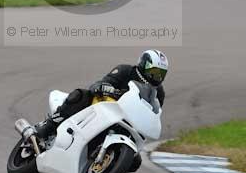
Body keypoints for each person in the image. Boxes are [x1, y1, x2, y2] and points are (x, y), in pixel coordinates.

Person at [34, 49, 169, 141]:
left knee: (135, 162)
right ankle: (48, 125)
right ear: (144, 65)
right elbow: (103, 82)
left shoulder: (159, 93)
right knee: (80, 95)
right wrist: (105, 87)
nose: (157, 77)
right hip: (104, 106)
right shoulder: (125, 71)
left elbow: (154, 113)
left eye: (161, 74)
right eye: (154, 72)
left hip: (128, 120)